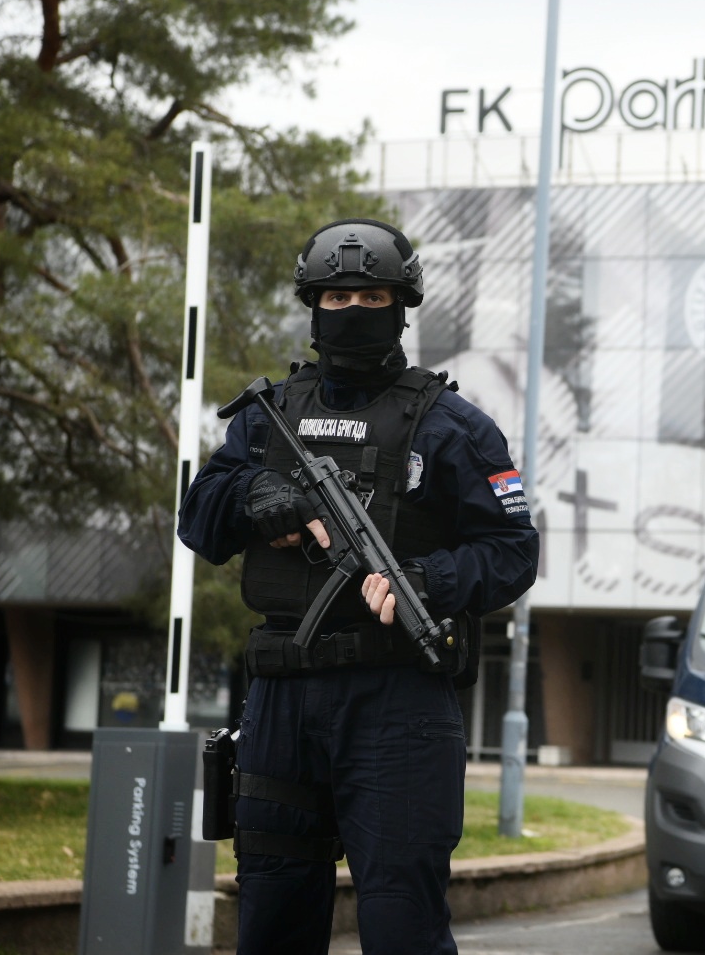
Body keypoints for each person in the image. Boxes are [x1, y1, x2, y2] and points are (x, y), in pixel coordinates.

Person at [178, 218, 539, 955]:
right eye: (337, 297)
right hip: (282, 699)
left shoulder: (454, 428)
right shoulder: (266, 420)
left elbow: (512, 553)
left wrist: (426, 579)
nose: (352, 310)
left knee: (402, 922)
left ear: (402, 306)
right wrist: (255, 497)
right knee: (272, 919)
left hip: (398, 703)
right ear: (313, 307)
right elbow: (198, 521)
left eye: (371, 294)